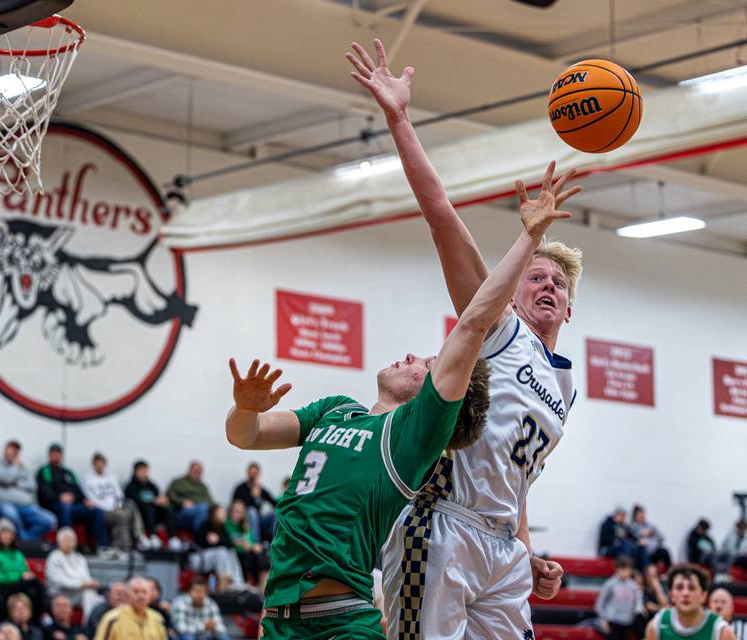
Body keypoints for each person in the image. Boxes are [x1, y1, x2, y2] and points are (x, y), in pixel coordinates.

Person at [226, 144, 570, 638]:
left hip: (355, 602)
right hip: (291, 608)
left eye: (428, 363)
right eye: (537, 276)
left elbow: (472, 330)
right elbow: (247, 435)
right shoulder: (338, 411)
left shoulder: (412, 434)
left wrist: (522, 546)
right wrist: (243, 408)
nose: (415, 356)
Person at [346, 39, 581, 638]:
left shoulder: (564, 386)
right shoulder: (495, 327)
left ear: (570, 307)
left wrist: (526, 548)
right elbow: (443, 215)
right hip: (442, 525)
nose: (545, 286)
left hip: (501, 547)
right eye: (534, 277)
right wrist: (400, 119)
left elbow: (515, 479)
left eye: (557, 282)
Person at [36, 445, 108, 550]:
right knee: (65, 507)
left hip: (73, 506)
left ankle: (102, 547)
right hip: (53, 505)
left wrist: (85, 500)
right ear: (49, 455)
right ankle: (66, 544)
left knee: (96, 511)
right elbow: (44, 493)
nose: (56, 456)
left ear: (61, 456)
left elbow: (78, 490)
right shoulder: (44, 471)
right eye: (53, 453)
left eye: (58, 453)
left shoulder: (68, 473)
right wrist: (59, 497)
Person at [0, 441, 57, 542]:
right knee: (11, 514)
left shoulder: (24, 467)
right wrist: (15, 469)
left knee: (50, 520)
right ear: (5, 450)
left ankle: (26, 539)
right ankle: (23, 540)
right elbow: (5, 479)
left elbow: (31, 486)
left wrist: (13, 483)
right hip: (5, 503)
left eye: (15, 450)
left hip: (27, 506)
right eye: (10, 449)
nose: (13, 452)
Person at [647, 564, 734, 640]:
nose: (685, 593)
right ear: (671, 595)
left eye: (692, 588)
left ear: (703, 596)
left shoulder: (721, 631)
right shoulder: (656, 626)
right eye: (679, 587)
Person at [82, 453, 148, 552]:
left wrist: (118, 506)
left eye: (101, 463)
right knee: (123, 517)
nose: (100, 465)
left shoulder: (111, 478)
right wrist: (107, 507)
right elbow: (89, 498)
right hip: (101, 510)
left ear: (105, 464)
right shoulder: (87, 479)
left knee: (130, 504)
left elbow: (120, 495)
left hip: (115, 508)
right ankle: (129, 545)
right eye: (97, 463)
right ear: (93, 464)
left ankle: (139, 537)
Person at [0, 519, 45, 622]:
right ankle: (42, 618)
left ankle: (34, 623)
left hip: (17, 585)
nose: (7, 536)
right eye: (4, 532)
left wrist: (24, 576)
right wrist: (17, 577)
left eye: (9, 533)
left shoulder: (16, 552)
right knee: (34, 584)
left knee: (33, 590)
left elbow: (25, 571)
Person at [45, 528, 102, 622]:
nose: (68, 543)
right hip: (60, 593)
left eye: (71, 540)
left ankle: (89, 621)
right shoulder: (54, 557)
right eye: (66, 540)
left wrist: (92, 583)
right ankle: (89, 622)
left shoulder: (79, 558)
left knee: (90, 593)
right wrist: (81, 584)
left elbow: (86, 577)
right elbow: (57, 581)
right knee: (89, 594)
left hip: (78, 592)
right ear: (59, 542)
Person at [124, 461, 180, 551]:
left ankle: (172, 538)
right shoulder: (130, 487)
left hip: (155, 514)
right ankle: (152, 536)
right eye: (141, 471)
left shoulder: (152, 485)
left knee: (168, 508)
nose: (144, 473)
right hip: (141, 515)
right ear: (135, 472)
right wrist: (152, 501)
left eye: (145, 471)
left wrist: (163, 500)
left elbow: (158, 497)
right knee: (149, 508)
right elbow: (134, 503)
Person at [93, 577, 166, 640]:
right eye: (136, 592)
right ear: (128, 594)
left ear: (150, 595)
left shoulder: (157, 619)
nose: (141, 596)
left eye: (144, 592)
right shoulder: (113, 619)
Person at [191, 504, 244, 590]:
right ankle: (227, 582)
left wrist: (219, 540)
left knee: (231, 551)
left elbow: (229, 544)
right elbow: (204, 543)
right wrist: (219, 541)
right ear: (214, 513)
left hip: (211, 558)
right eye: (222, 513)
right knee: (221, 552)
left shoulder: (222, 527)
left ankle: (238, 581)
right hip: (197, 557)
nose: (225, 515)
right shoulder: (206, 525)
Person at [594, 556, 642, 640]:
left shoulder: (634, 586)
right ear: (617, 569)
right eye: (622, 569)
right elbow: (599, 603)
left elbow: (638, 603)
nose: (625, 572)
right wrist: (604, 619)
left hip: (627, 622)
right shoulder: (610, 584)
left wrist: (638, 610)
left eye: (628, 569)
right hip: (613, 622)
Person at [223, 501, 268, 590]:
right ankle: (252, 584)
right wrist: (245, 544)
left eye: (241, 512)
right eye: (236, 511)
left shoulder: (244, 525)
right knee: (249, 555)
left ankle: (262, 584)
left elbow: (250, 542)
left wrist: (253, 546)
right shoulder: (226, 524)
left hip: (247, 553)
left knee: (259, 553)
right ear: (230, 512)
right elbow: (228, 541)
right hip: (234, 555)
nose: (239, 515)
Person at [232, 463, 276, 544]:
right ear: (247, 473)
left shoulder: (261, 489)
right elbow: (239, 506)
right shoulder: (240, 488)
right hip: (245, 519)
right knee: (252, 511)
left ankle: (275, 543)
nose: (253, 476)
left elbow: (273, 502)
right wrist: (254, 496)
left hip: (259, 519)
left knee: (274, 514)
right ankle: (255, 544)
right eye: (251, 473)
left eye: (255, 474)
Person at [166, 463, 213, 534]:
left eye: (199, 471)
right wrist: (182, 501)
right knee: (202, 508)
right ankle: (199, 537)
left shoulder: (203, 486)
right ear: (189, 470)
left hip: (201, 512)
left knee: (212, 511)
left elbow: (210, 501)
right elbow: (169, 495)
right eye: (195, 470)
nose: (197, 473)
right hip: (182, 513)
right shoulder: (179, 482)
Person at [631, 505, 672, 570]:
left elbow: (662, 537)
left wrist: (653, 534)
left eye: (642, 514)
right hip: (642, 553)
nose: (642, 516)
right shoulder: (632, 526)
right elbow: (632, 538)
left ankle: (669, 572)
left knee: (664, 551)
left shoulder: (650, 525)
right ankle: (646, 573)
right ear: (635, 516)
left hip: (654, 551)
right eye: (639, 514)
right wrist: (640, 535)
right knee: (642, 548)